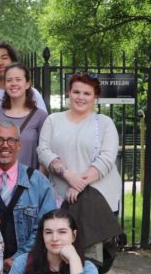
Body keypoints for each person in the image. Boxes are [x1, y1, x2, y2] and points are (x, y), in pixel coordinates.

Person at [0, 121, 58, 270]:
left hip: (26, 268)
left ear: (19, 145)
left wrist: (18, 259)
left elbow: (46, 227)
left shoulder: (39, 183)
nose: (5, 145)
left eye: (11, 140)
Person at [37, 73, 122, 212]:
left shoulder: (105, 123)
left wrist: (78, 185)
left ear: (95, 97)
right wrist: (68, 175)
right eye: (76, 92)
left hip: (99, 201)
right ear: (69, 93)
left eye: (87, 93)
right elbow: (43, 152)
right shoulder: (53, 120)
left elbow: (106, 160)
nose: (80, 97)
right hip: (61, 201)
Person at [0, 63, 47, 170]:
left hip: (28, 182)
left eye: (18, 79)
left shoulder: (40, 116)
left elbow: (44, 153)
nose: (13, 83)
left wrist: (38, 182)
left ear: (27, 84)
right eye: (9, 80)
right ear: (5, 84)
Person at [0, 42, 47, 115]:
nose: (0, 63)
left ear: (13, 61)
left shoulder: (32, 93)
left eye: (4, 58)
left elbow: (45, 123)